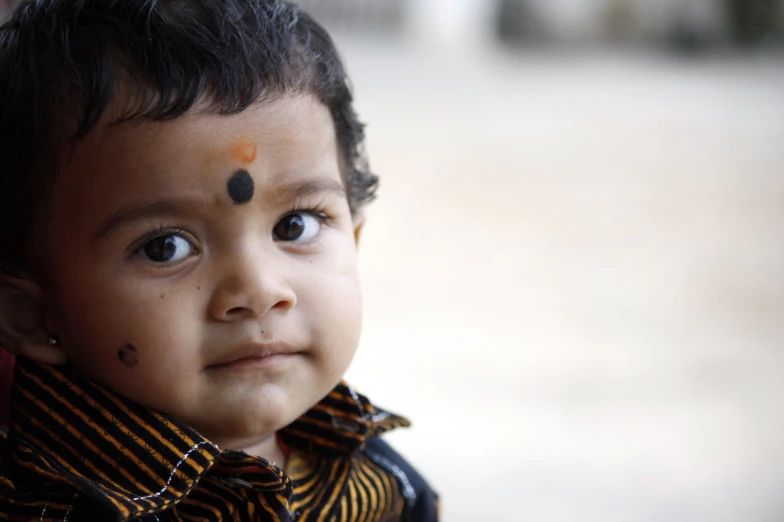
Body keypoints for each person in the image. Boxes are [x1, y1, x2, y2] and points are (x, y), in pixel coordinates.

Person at [0, 1, 439, 520]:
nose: (259, 290)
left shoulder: (383, 485)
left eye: (294, 226)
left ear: (356, 240)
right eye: (167, 246)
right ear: (31, 314)